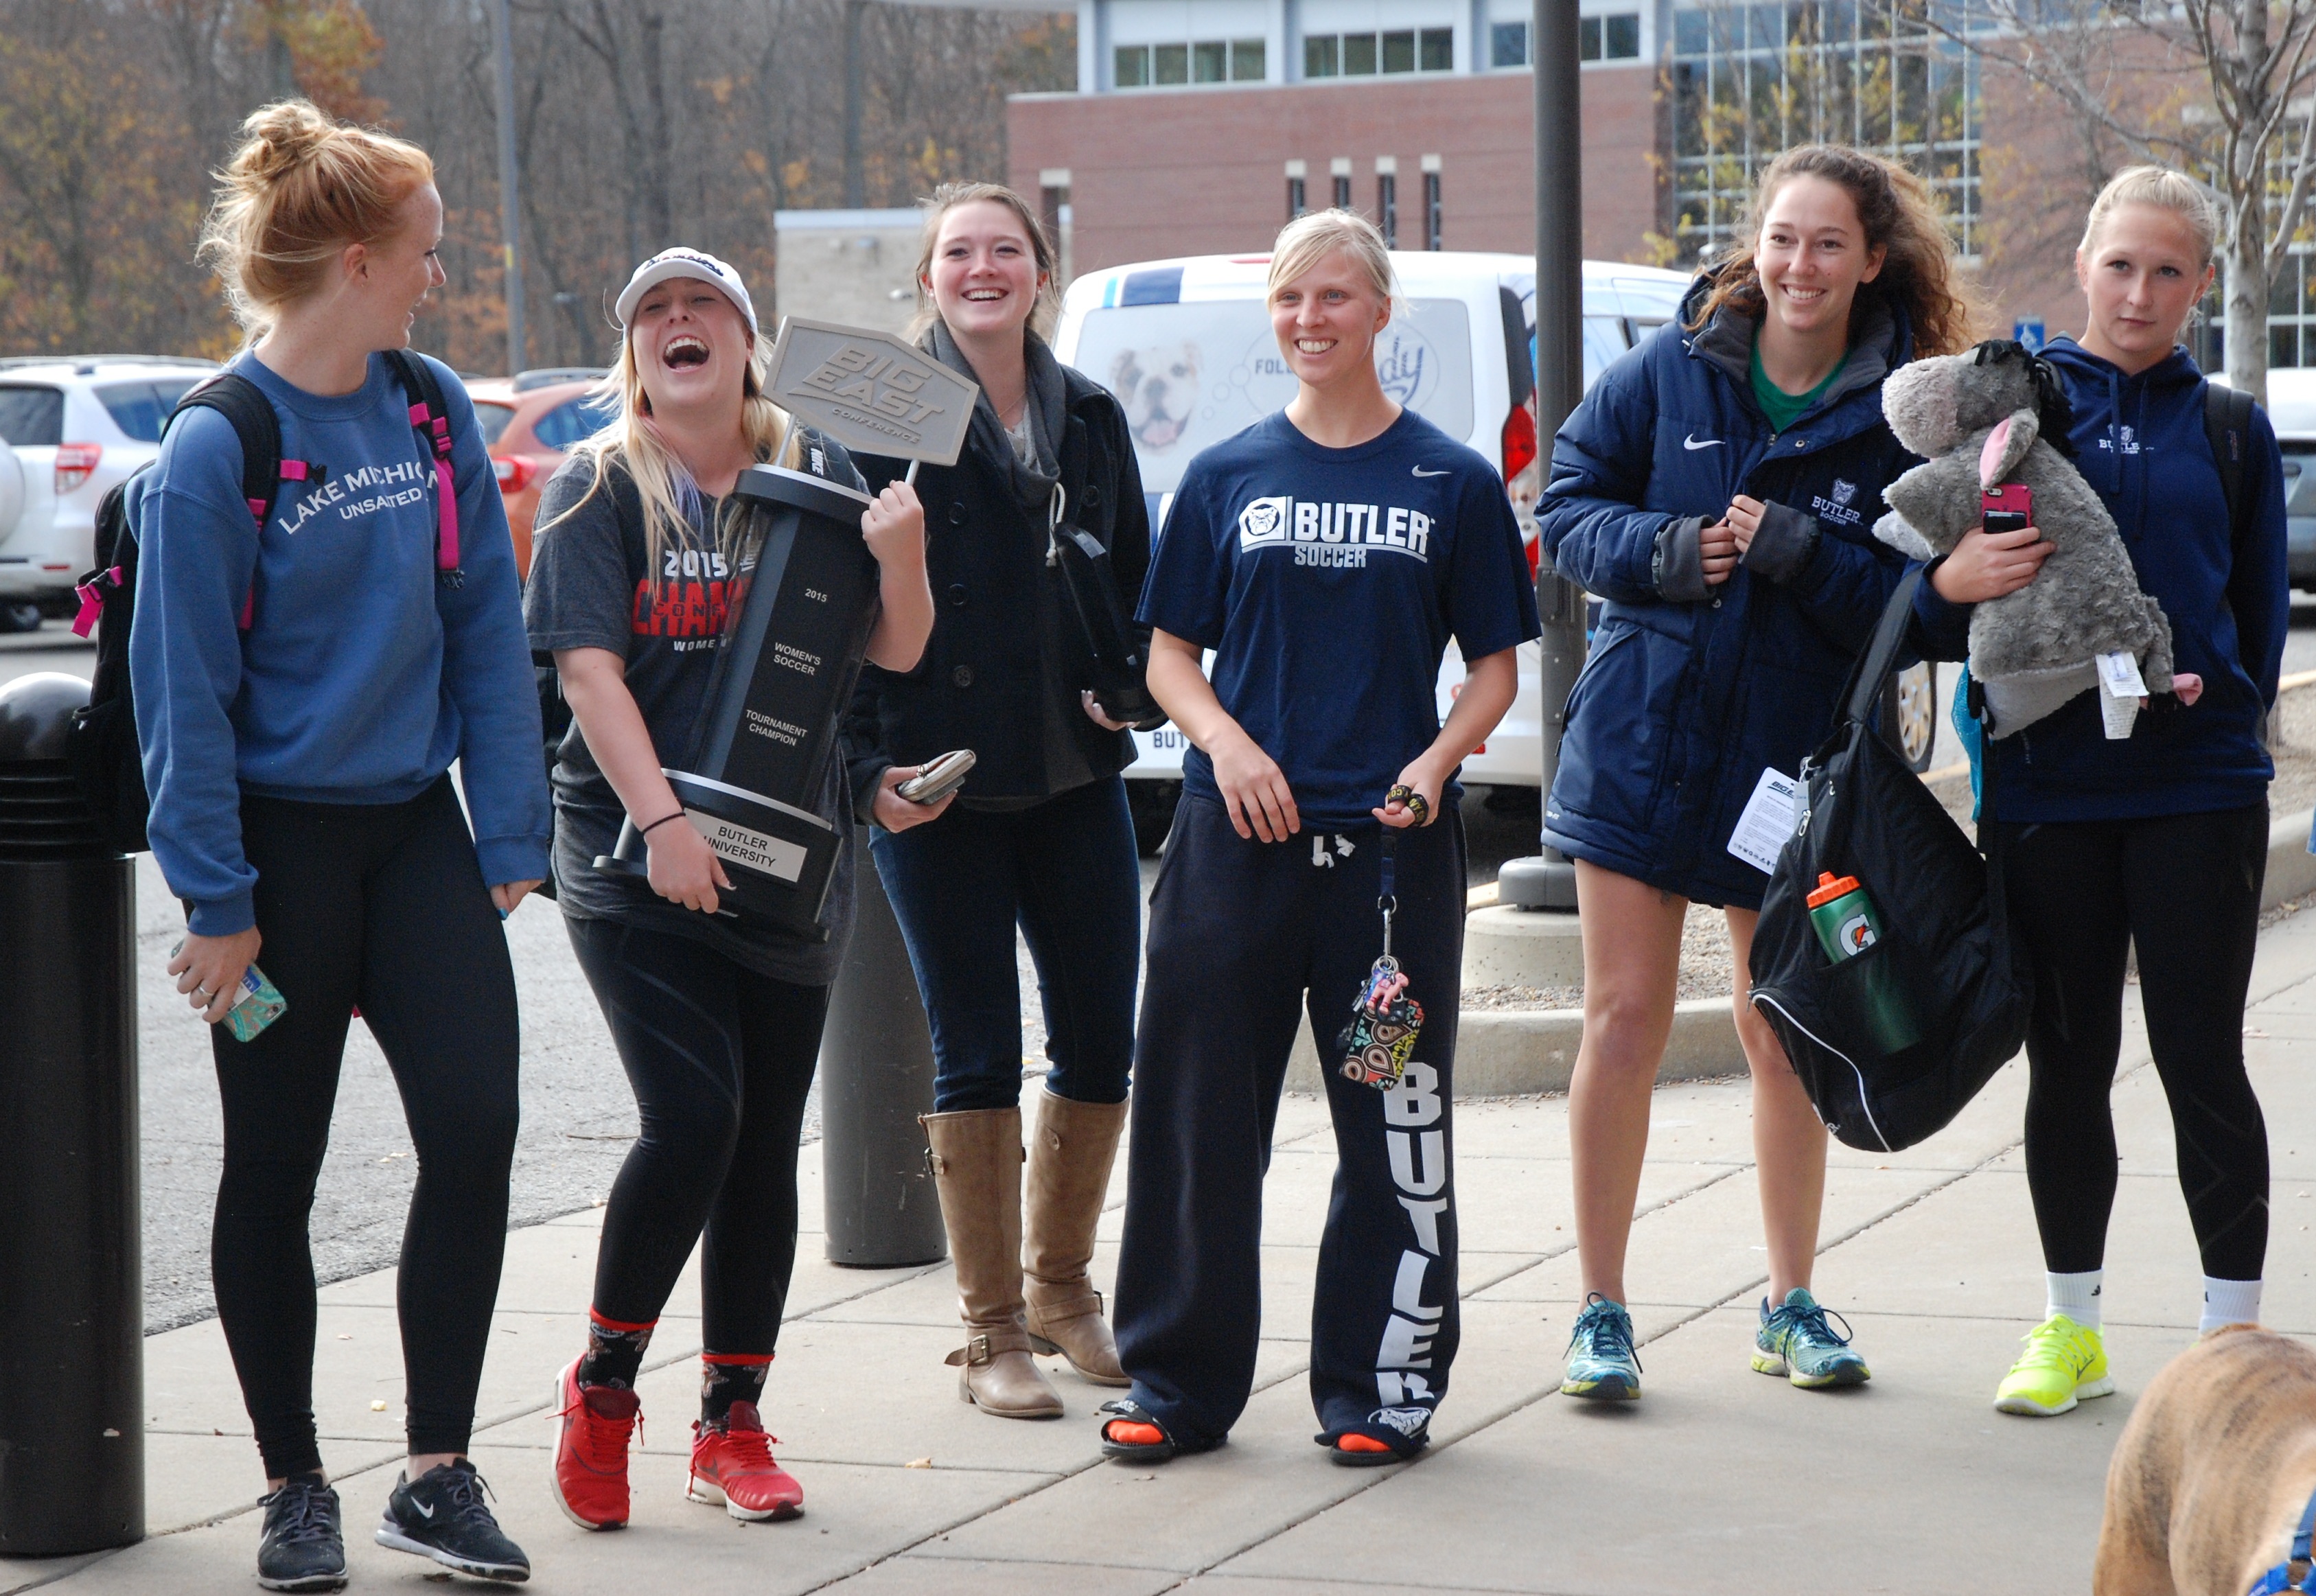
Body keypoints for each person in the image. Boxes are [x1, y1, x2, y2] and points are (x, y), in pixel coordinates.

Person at [132, 100, 547, 1590]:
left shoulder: (427, 407)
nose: (440, 276)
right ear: (356, 262)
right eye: (426, 252)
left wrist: (511, 821)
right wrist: (217, 898)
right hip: (277, 858)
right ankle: (292, 1480)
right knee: (276, 1165)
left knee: (478, 1126)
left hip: (415, 831)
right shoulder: (217, 445)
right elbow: (179, 695)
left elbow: (484, 622)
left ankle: (435, 1472)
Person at [1538, 144, 1984, 1401]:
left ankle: (1789, 1302)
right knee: (1621, 1021)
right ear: (1756, 244)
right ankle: (1599, 1311)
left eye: (1828, 242)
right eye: (1783, 238)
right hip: (1637, 745)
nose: (1800, 264)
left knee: (1783, 1027)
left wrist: (1801, 552)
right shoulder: (1668, 368)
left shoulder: (1905, 413)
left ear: (1871, 260)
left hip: (1792, 768)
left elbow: (1927, 609)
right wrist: (1667, 550)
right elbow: (1563, 508)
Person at [1096, 208, 1538, 1467]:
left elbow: (1495, 669)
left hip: (1388, 866)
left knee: (1391, 1121)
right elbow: (1168, 658)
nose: (1309, 319)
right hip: (1231, 850)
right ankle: (1176, 1384)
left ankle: (1379, 1386)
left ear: (1379, 313)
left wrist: (1436, 764)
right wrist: (1225, 746)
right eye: (1290, 300)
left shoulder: (1449, 479)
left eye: (1333, 297)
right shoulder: (1225, 474)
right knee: (1195, 1119)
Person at [524, 247, 933, 1529]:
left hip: (786, 857)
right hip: (633, 853)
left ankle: (731, 1422)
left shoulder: (818, 468)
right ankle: (602, 1390)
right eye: (654, 310)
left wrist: (904, 555)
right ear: (634, 349)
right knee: (694, 1118)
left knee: (762, 1145)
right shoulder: (598, 486)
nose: (678, 322)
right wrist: (661, 822)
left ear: (747, 339)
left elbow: (892, 647)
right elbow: (588, 674)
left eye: (702, 304)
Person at [1911, 166, 2286, 1418]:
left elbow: (2253, 617)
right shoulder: (2013, 411)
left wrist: (2215, 705)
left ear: (2199, 284)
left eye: (2167, 271)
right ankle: (2070, 1327)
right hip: (2047, 789)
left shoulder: (2226, 428)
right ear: (2081, 265)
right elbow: (1930, 590)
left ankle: (2229, 1342)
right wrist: (1950, 582)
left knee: (2200, 1058)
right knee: (2067, 1063)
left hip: (2197, 791)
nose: (2138, 292)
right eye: (2119, 265)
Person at [844, 182, 1153, 1420]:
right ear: (928, 277)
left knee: (1101, 1036)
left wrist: (1128, 687)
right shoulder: (877, 409)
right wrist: (864, 776)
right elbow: (828, 612)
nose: (982, 268)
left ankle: (1062, 1290)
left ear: (1041, 273)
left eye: (1005, 250)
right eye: (959, 252)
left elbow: (1133, 584)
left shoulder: (1092, 414)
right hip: (937, 781)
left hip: (1072, 770)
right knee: (973, 1046)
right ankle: (989, 1332)